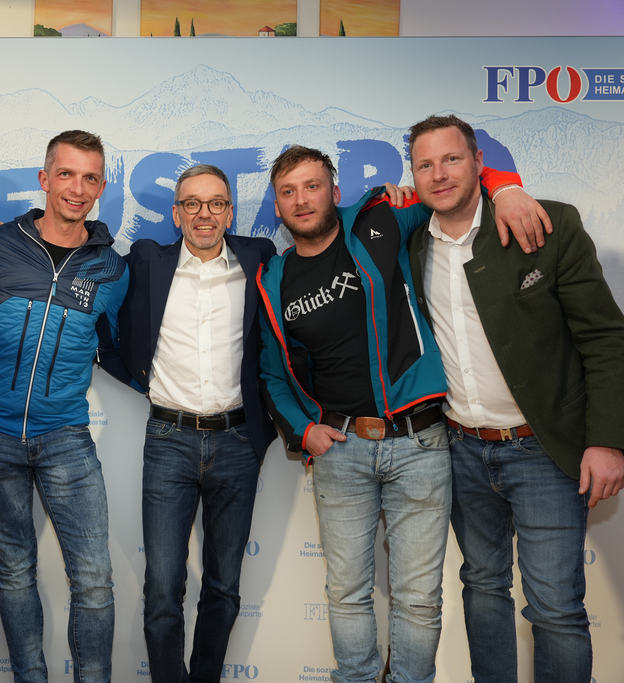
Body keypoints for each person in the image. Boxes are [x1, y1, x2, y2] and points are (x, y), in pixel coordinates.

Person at [257, 145, 545, 683]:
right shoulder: (273, 279)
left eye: (312, 186)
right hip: (340, 452)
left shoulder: (382, 221)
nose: (301, 200)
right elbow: (273, 373)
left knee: (418, 597)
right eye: (288, 192)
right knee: (347, 592)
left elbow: (452, 184)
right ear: (277, 206)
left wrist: (505, 188)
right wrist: (303, 431)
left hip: (420, 445)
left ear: (334, 192)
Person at [406, 114, 624, 683]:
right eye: (425, 165)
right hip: (460, 450)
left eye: (452, 159)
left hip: (545, 452)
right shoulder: (411, 244)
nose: (439, 174)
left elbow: (605, 338)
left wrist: (606, 440)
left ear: (479, 163)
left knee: (555, 608)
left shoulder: (546, 225)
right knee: (482, 589)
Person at [0, 130, 128, 683]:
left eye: (89, 178)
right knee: (15, 573)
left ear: (101, 187)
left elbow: (119, 346)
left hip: (66, 438)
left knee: (94, 581)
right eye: (66, 174)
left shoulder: (111, 269)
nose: (77, 188)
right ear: (44, 179)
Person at [110, 164, 276, 683]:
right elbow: (88, 272)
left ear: (230, 211)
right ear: (177, 213)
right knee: (163, 588)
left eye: (216, 203)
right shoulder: (146, 262)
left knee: (224, 586)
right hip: (168, 440)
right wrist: (138, 377)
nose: (205, 214)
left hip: (238, 442)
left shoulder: (259, 259)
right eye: (192, 204)